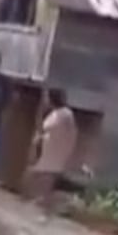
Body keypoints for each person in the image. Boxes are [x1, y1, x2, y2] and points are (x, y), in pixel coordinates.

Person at [25, 88, 78, 217]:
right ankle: (46, 201)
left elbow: (66, 132)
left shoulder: (65, 114)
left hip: (56, 151)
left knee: (45, 178)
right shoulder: (55, 112)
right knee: (40, 176)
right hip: (49, 149)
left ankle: (47, 208)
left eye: (48, 98)